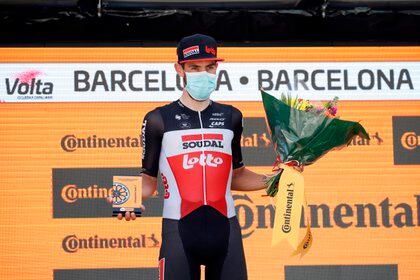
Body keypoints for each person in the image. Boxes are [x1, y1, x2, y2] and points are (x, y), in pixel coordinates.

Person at [109, 34, 272, 280]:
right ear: (180, 68)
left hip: (226, 232)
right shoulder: (157, 119)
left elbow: (236, 176)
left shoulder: (232, 116)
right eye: (194, 67)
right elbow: (148, 181)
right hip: (179, 232)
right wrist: (123, 196)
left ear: (217, 68)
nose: (203, 74)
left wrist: (278, 180)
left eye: (210, 67)